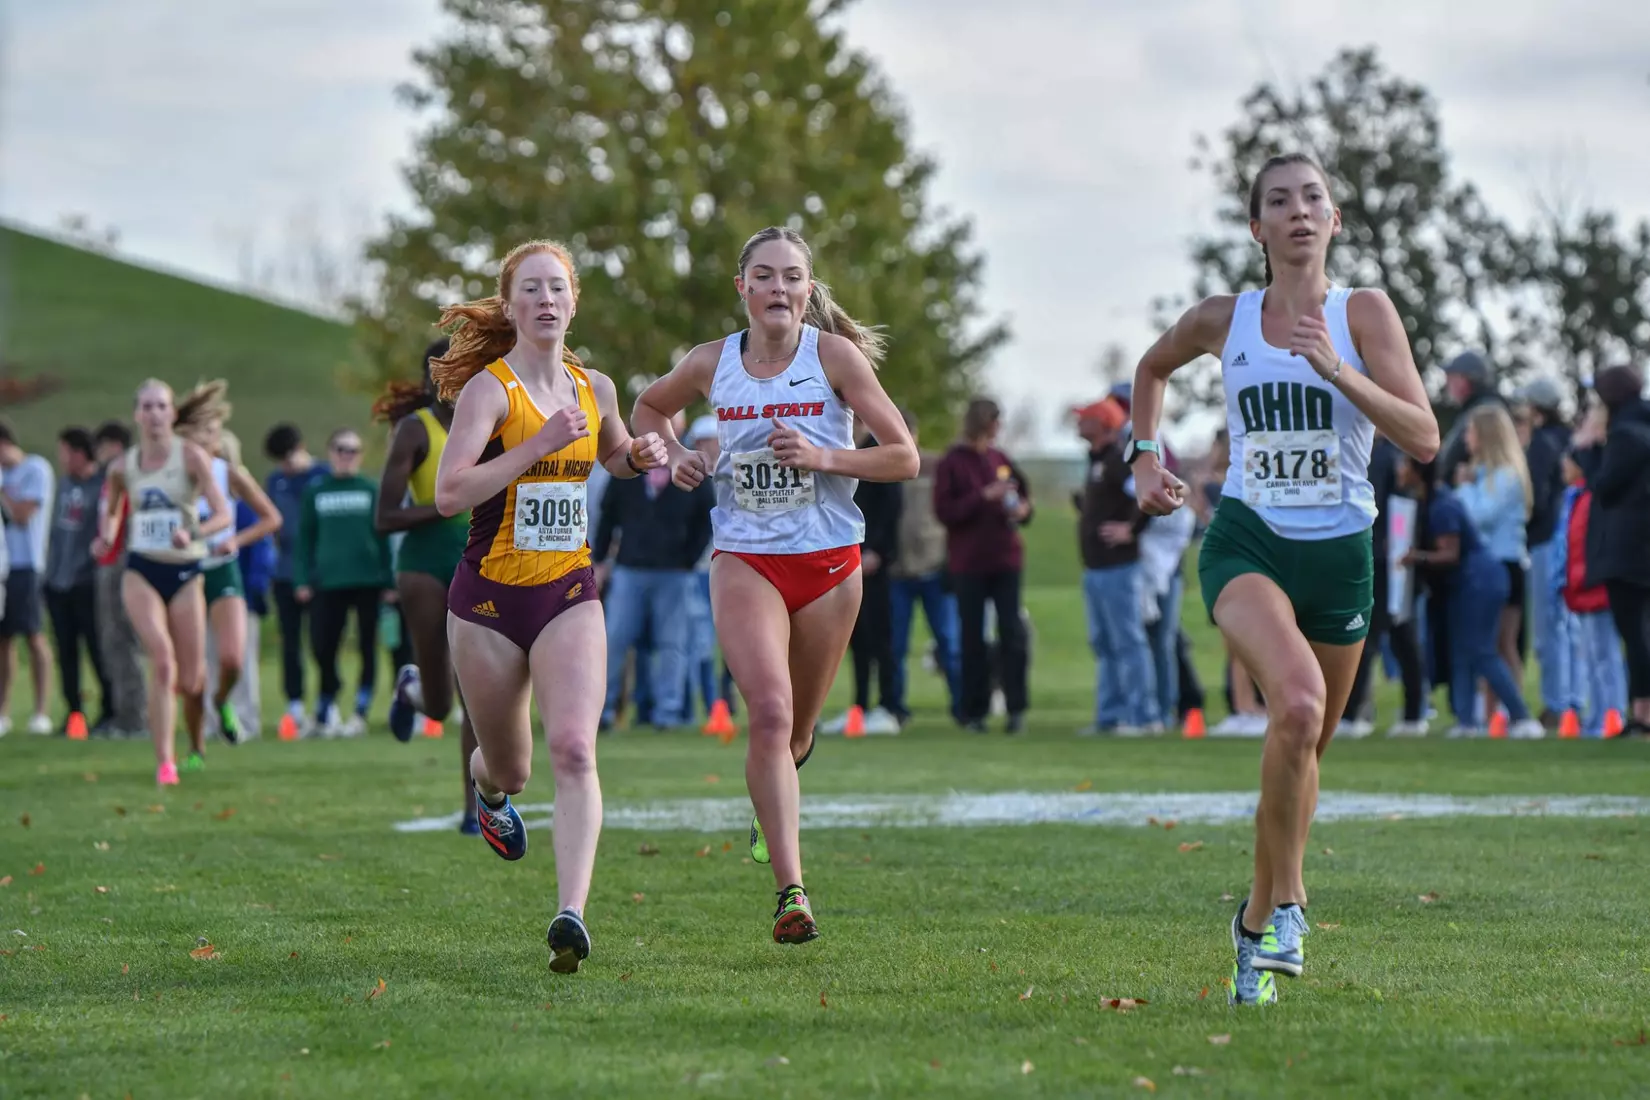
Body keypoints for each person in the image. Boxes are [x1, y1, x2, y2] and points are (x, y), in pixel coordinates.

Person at [1128, 153, 1441, 1005]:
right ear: (1256, 226)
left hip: (1341, 557)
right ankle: (1293, 908)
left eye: (1313, 198)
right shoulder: (1223, 318)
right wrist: (1144, 456)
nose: (1298, 211)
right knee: (1296, 708)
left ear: (1334, 220)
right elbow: (1151, 369)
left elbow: (1423, 436)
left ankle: (1253, 922)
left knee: (1301, 755)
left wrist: (1338, 369)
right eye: (1279, 200)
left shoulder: (1363, 312)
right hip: (1248, 543)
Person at [633, 226, 918, 944]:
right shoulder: (710, 361)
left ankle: (779, 787)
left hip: (829, 566)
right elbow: (648, 409)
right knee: (767, 712)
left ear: (808, 289)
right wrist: (674, 456)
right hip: (745, 558)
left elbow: (904, 457)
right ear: (743, 288)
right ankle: (792, 892)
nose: (778, 288)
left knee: (794, 734)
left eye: (792, 276)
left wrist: (824, 456)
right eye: (764, 275)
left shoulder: (835, 357)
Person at [432, 238, 668, 973]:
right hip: (488, 604)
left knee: (574, 747)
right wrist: (535, 446)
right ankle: (487, 791)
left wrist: (641, 457)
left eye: (556, 288)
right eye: (530, 289)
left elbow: (614, 454)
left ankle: (571, 913)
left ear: (573, 302)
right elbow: (449, 494)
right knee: (511, 769)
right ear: (509, 306)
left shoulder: (595, 387)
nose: (545, 300)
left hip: (568, 591)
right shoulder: (491, 392)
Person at [96, 380, 233, 783]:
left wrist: (194, 533)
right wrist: (106, 535)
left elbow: (224, 514)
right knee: (161, 658)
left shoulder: (191, 456)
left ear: (172, 413)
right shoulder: (122, 467)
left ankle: (196, 742)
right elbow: (113, 511)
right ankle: (165, 762)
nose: (154, 413)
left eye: (161, 406)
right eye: (147, 406)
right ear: (136, 414)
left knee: (191, 679)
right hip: (141, 570)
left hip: (186, 572)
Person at [375, 337, 483, 834]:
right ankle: (411, 689)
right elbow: (384, 517)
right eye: (448, 374)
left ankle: (474, 809)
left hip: (477, 559)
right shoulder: (414, 430)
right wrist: (445, 504)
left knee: (475, 690)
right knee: (439, 704)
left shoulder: (492, 422)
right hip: (422, 566)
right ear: (432, 379)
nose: (457, 384)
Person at [1398, 454, 1540, 738]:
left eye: (1404, 465)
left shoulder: (1442, 507)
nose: (1399, 470)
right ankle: (1465, 722)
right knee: (1461, 652)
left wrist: (1417, 557)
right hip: (1467, 584)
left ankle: (1523, 718)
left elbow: (1450, 553)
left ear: (1417, 471)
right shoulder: (1430, 501)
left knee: (1481, 650)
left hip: (1479, 581)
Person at [174, 382, 283, 751]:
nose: (212, 439)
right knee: (191, 669)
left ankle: (222, 702)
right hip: (185, 574)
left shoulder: (226, 471)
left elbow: (271, 518)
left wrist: (235, 540)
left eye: (215, 430)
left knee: (233, 658)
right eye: (205, 431)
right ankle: (196, 743)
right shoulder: (169, 476)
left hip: (222, 568)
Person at [591, 412, 714, 732]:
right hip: (629, 568)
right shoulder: (629, 465)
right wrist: (600, 559)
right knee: (615, 640)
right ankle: (601, 712)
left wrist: (688, 559)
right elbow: (608, 515)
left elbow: (706, 517)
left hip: (675, 571)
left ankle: (667, 713)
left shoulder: (689, 464)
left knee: (673, 644)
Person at [934, 398, 1032, 733]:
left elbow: (1023, 496)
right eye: (994, 420)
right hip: (969, 562)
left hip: (1006, 558)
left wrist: (1022, 509)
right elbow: (944, 511)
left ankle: (1016, 709)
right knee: (972, 637)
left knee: (1012, 633)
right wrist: (983, 497)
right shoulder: (952, 462)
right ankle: (974, 711)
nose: (998, 427)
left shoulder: (1000, 458)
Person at [296, 428, 394, 737]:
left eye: (352, 450)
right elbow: (305, 539)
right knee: (322, 646)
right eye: (341, 449)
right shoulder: (316, 491)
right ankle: (326, 703)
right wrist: (302, 579)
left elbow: (384, 537)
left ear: (360, 455)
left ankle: (361, 711)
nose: (346, 456)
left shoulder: (370, 489)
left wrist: (390, 580)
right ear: (330, 453)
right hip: (328, 581)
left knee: (367, 646)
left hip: (368, 580)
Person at [1072, 395, 1158, 735]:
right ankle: (1110, 716)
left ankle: (1142, 716)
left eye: (1085, 418)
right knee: (1104, 644)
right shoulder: (1097, 461)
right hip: (1096, 569)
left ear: (1103, 424)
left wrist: (1131, 529)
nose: (1079, 423)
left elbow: (1146, 495)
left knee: (1128, 642)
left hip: (1118, 568)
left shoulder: (1117, 460)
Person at [1571, 366, 1650, 737]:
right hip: (1639, 546)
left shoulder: (1627, 435)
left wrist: (1586, 449)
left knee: (1635, 634)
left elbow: (1604, 485)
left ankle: (1643, 713)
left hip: (1628, 549)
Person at [1338, 432, 1427, 736]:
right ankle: (1412, 713)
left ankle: (1352, 714)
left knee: (1368, 636)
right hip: (1390, 557)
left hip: (1379, 559)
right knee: (1400, 636)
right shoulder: (1391, 456)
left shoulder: (1380, 458)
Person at [820, 418, 904, 735]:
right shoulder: (843, 449)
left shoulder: (876, 451)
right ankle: (860, 706)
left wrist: (879, 551)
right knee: (856, 638)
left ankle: (890, 705)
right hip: (847, 557)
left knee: (882, 637)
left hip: (873, 561)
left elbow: (891, 509)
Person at [1454, 404, 1532, 729]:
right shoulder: (1484, 474)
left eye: (1471, 431)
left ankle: (1516, 714)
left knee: (1501, 644)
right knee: (1493, 645)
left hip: (1504, 565)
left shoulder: (1506, 475)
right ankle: (1492, 716)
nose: (1466, 438)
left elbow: (1478, 516)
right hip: (1492, 565)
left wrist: (1464, 487)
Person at [886, 408, 962, 725]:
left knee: (949, 642)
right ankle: (895, 707)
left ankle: (963, 706)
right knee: (896, 646)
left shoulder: (936, 466)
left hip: (934, 568)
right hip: (898, 570)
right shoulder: (882, 464)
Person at [44, 427, 114, 736]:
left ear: (79, 453)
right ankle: (74, 713)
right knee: (66, 652)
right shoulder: (64, 485)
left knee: (98, 649)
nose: (61, 459)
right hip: (58, 582)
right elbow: (57, 534)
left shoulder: (103, 486)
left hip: (88, 582)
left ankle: (109, 709)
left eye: (65, 452)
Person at [1552, 448, 1627, 737]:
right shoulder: (1574, 498)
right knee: (1593, 655)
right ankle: (1597, 715)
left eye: (1568, 461)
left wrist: (1582, 577)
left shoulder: (1590, 500)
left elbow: (1586, 544)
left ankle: (1613, 713)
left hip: (1593, 586)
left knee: (1605, 654)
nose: (1563, 466)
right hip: (1581, 587)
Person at [264, 424, 330, 733]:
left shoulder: (323, 476)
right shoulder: (275, 481)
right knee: (290, 643)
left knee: (323, 642)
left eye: (289, 457)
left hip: (320, 573)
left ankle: (327, 703)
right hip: (285, 574)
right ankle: (294, 704)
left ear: (301, 448)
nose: (287, 465)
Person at [1515, 377, 1573, 728]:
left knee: (1547, 628)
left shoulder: (1541, 444)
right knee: (1567, 627)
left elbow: (1534, 498)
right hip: (1567, 538)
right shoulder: (1567, 438)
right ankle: (1571, 699)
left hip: (1544, 540)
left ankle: (1556, 703)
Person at [0, 421, 56, 735]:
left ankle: (41, 712)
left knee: (34, 636)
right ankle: (3, 712)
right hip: (3, 566)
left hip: (28, 565)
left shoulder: (35, 469)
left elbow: (22, 515)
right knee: (3, 641)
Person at [91, 421, 146, 736]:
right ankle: (120, 713)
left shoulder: (130, 475)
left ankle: (135, 717)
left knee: (125, 641)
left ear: (114, 445)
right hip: (107, 562)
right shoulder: (111, 478)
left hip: (122, 562)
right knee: (111, 643)